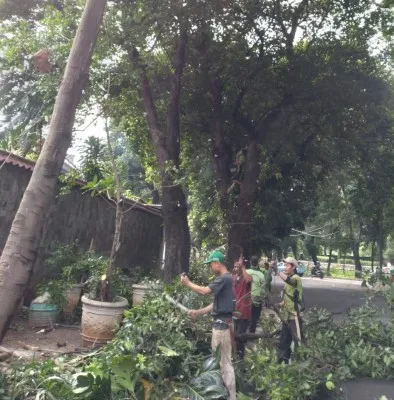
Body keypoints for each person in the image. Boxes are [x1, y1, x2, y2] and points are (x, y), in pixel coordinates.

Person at [180, 250, 236, 400]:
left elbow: (203, 291)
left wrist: (187, 283)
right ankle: (221, 395)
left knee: (224, 365)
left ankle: (230, 397)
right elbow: (215, 304)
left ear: (218, 263)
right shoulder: (228, 279)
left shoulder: (224, 279)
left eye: (211, 264)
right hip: (223, 325)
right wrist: (198, 312)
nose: (210, 267)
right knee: (220, 364)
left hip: (222, 327)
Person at [277, 257, 304, 364]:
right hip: (286, 315)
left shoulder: (296, 278)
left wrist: (277, 272)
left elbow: (289, 281)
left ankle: (299, 362)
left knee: (296, 340)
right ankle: (283, 361)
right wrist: (276, 305)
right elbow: (286, 299)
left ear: (293, 267)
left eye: (287, 265)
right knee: (284, 340)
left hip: (294, 316)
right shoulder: (287, 282)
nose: (285, 267)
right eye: (285, 265)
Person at [232, 257, 252, 359]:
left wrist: (243, 267)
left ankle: (241, 358)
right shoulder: (233, 277)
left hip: (244, 312)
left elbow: (249, 280)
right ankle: (236, 357)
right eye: (235, 266)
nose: (236, 268)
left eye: (238, 267)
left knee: (240, 336)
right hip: (234, 312)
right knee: (234, 335)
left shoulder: (246, 278)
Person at [247, 256, 266, 333]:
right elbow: (262, 290)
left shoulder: (246, 272)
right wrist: (263, 297)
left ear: (250, 263)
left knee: (245, 316)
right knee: (254, 318)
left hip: (246, 299)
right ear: (257, 263)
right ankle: (251, 334)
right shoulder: (261, 275)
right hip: (257, 300)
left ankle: (242, 334)